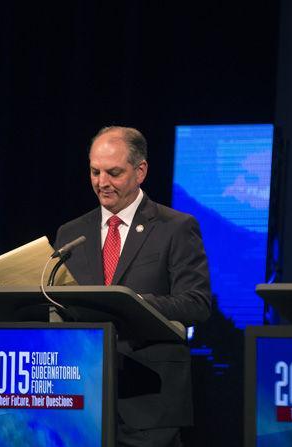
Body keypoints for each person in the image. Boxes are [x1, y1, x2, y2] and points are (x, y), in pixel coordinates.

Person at [54, 126, 212, 447]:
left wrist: (133, 303)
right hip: (83, 399)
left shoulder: (176, 228)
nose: (102, 183)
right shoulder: (71, 233)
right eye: (95, 172)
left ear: (140, 171)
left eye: (114, 173)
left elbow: (196, 303)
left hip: (150, 401)